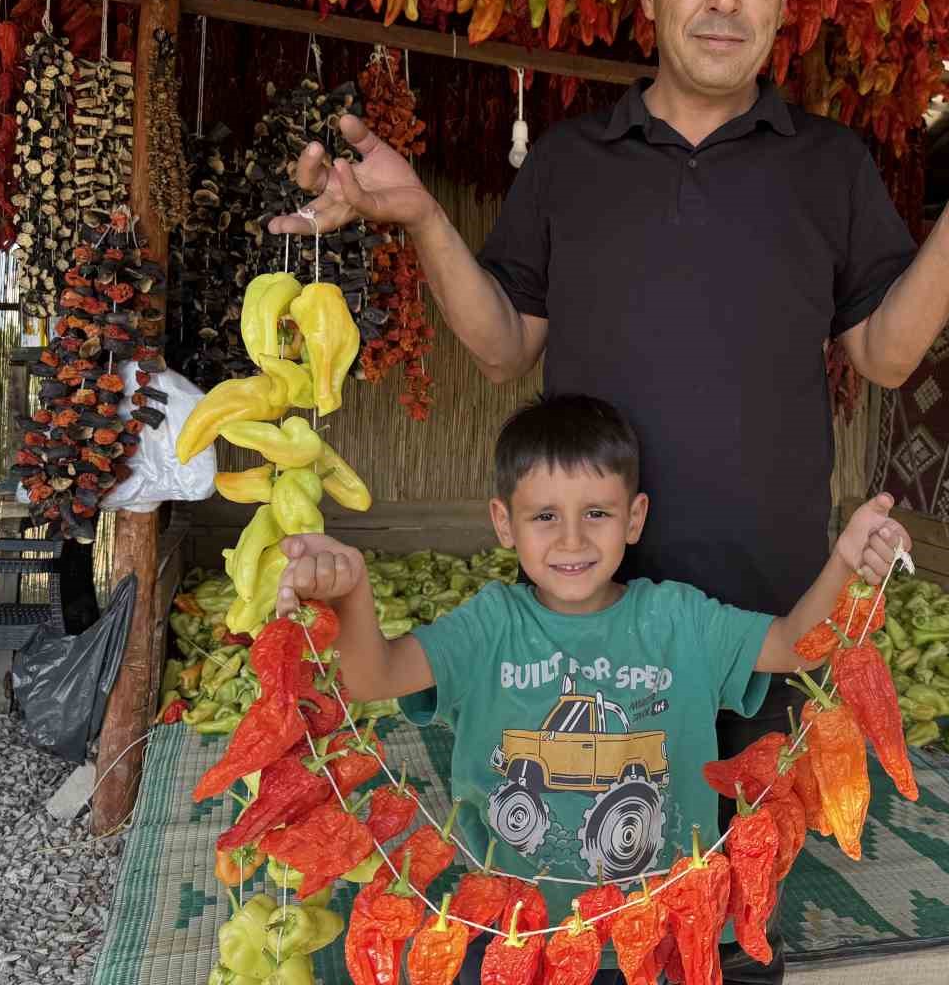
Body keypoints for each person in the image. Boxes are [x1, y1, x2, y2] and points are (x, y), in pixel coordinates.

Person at [271, 0, 949, 981]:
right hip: (584, 622)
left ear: (784, 2)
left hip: (757, 622)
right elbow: (506, 343)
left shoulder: (828, 166)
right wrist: (419, 219)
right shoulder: (572, 164)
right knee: (557, 902)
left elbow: (888, 353)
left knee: (722, 915)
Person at [274, 394, 912, 985]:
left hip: (656, 930)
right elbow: (370, 678)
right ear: (504, 522)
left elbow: (794, 642)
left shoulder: (678, 620)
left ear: (634, 519)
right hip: (514, 933)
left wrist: (846, 559)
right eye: (545, 516)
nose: (572, 539)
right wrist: (350, 595)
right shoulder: (490, 624)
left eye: (597, 513)